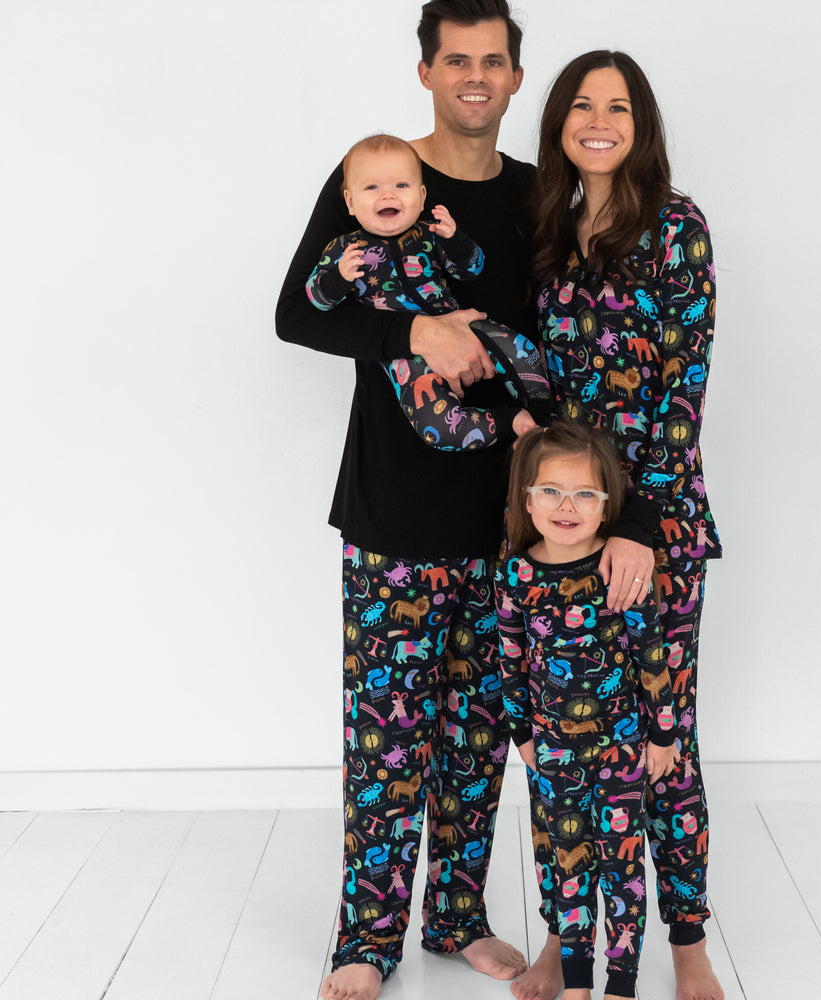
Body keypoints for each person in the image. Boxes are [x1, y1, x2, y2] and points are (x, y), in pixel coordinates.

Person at [274, 3, 533, 999]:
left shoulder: (534, 195)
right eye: (455, 59)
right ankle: (365, 937)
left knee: (476, 732)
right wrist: (409, 336)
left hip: (509, 519)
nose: (475, 75)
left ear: (514, 78)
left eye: (493, 61)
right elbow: (300, 308)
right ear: (426, 71)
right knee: (386, 738)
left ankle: (458, 917)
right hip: (390, 513)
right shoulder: (375, 176)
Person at [521, 51, 725, 1000]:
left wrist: (638, 521)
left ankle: (686, 942)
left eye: (617, 107)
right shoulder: (550, 230)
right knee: (565, 748)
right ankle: (570, 941)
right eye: (581, 105)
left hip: (654, 525)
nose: (598, 121)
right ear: (559, 119)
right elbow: (545, 380)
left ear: (640, 124)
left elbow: (682, 389)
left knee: (661, 738)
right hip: (563, 528)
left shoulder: (675, 227)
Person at [496, 421, 681, 1000]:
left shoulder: (617, 570)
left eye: (583, 495)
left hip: (622, 750)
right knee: (571, 871)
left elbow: (653, 656)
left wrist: (663, 735)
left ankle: (620, 986)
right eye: (550, 490)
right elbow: (511, 660)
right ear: (527, 498)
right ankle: (577, 982)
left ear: (607, 507)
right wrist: (522, 734)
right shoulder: (517, 573)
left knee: (623, 873)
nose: (566, 506)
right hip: (554, 754)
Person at [305, 132, 539, 450]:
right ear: (349, 201)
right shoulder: (344, 248)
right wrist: (339, 278)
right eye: (372, 187)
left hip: (460, 324)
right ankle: (509, 422)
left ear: (421, 194)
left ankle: (543, 414)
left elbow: (471, 269)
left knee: (522, 349)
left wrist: (454, 238)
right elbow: (315, 300)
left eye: (401, 186)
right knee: (438, 429)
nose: (388, 195)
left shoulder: (428, 235)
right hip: (406, 357)